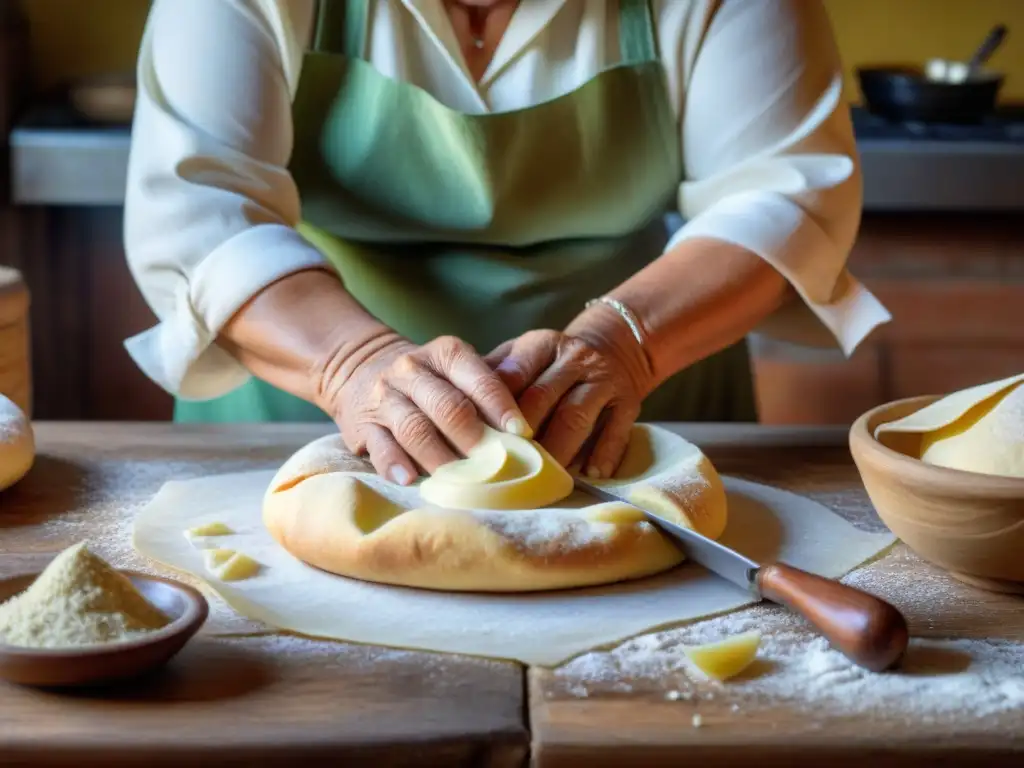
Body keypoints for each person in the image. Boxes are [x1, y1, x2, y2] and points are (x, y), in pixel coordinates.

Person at [122, 0, 890, 485]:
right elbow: (200, 205)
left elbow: (784, 194)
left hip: (642, 427)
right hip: (310, 429)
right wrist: (351, 366)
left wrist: (625, 346)